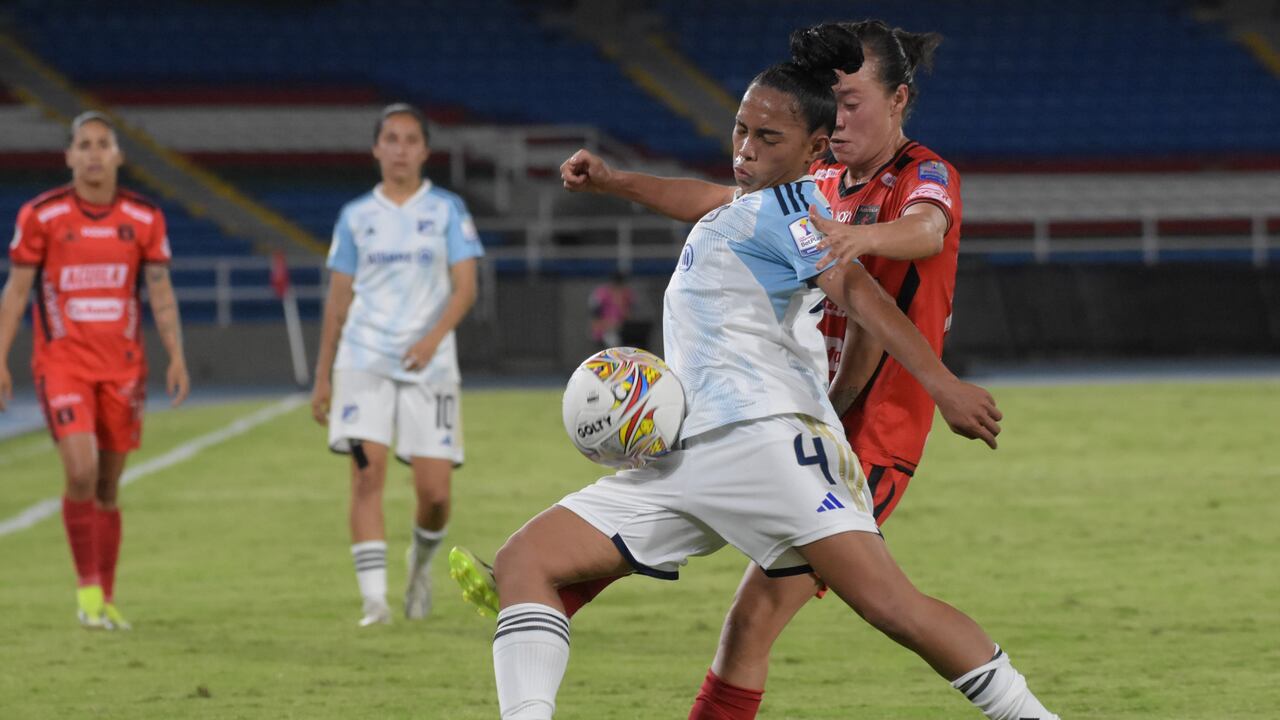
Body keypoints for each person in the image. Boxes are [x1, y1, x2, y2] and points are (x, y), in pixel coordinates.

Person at [483, 61, 1057, 719]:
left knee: (892, 607)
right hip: (686, 450)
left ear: (815, 150)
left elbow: (859, 292)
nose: (746, 149)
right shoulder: (755, 206)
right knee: (525, 561)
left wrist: (943, 385)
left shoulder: (797, 217)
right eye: (740, 130)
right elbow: (694, 196)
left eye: (767, 138)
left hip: (764, 445)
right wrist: (616, 181)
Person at [0, 111, 190, 630]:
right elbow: (17, 292)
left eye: (102, 144)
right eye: (83, 144)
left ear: (118, 156)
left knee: (107, 486)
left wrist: (176, 354)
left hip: (124, 369)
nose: (92, 153)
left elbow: (160, 291)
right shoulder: (41, 216)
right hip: (63, 365)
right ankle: (86, 592)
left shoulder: (146, 218)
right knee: (80, 471)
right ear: (69, 156)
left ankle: (104, 598)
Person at [310, 104, 482, 626]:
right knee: (367, 478)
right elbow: (338, 301)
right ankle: (374, 603)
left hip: (430, 369)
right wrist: (322, 376)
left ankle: (419, 568)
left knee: (434, 495)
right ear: (376, 149)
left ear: (425, 151)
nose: (401, 148)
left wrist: (431, 339)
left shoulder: (448, 210)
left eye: (410, 139)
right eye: (391, 138)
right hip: (363, 364)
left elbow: (466, 287)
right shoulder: (355, 217)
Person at [587, 271, 633, 348]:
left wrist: (621, 304)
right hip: (604, 330)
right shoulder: (601, 294)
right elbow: (594, 318)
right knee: (612, 339)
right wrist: (607, 325)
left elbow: (629, 318)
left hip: (621, 331)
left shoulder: (626, 294)